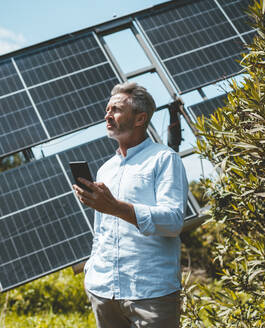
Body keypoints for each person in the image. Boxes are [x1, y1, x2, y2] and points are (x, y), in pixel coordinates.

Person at [72, 82, 188, 328]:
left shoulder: (164, 160)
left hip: (151, 294)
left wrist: (115, 207)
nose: (107, 115)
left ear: (140, 118)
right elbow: (102, 230)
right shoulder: (106, 169)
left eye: (115, 109)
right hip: (103, 292)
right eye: (107, 110)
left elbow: (173, 221)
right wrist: (92, 270)